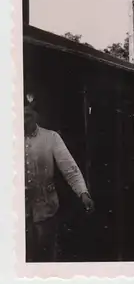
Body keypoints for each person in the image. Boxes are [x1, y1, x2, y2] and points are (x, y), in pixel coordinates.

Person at [24, 94, 94, 262]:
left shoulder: (51, 138)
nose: (23, 120)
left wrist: (83, 193)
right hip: (17, 212)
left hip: (46, 209)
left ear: (36, 116)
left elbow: (70, 169)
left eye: (27, 115)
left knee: (46, 255)